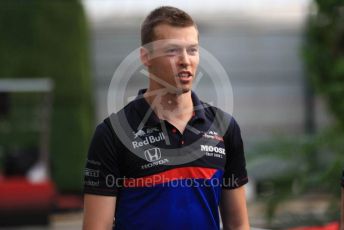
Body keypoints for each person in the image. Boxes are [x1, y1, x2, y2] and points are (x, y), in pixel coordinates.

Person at [83, 6, 250, 230]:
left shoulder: (224, 127)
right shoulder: (113, 133)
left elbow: (238, 224)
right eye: (172, 50)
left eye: (192, 50)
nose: (185, 61)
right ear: (146, 57)